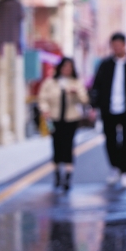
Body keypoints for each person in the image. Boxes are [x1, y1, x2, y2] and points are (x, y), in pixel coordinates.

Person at [90, 32, 126, 188]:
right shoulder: (105, 65)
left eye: (119, 45)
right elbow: (96, 87)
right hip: (108, 109)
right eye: (113, 45)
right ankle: (115, 168)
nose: (116, 48)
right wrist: (93, 107)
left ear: (124, 45)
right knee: (110, 141)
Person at [38, 57, 92, 192]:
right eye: (65, 67)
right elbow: (42, 99)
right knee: (56, 144)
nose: (67, 69)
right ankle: (57, 174)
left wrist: (76, 93)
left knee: (68, 145)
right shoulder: (50, 82)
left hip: (71, 119)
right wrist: (45, 110)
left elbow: (85, 100)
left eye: (69, 67)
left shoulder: (76, 82)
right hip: (53, 119)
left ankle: (68, 176)